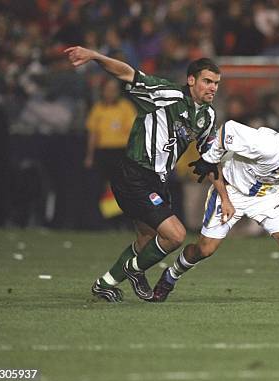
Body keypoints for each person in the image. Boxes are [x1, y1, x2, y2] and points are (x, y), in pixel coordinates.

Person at [64, 46, 234, 302]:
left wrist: (225, 197)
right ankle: (134, 270)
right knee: (175, 235)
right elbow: (128, 74)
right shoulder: (167, 94)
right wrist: (96, 56)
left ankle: (104, 284)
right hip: (134, 173)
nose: (212, 87)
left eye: (216, 83)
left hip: (157, 180)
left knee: (147, 239)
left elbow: (210, 158)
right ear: (191, 81)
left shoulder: (207, 117)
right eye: (207, 81)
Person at [152, 112, 279, 305]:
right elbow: (229, 129)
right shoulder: (266, 145)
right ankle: (171, 275)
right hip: (231, 191)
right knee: (205, 249)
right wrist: (210, 158)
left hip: (266, 198)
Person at [84, 78, 136, 226]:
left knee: (121, 187)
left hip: (120, 151)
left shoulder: (125, 107)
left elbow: (133, 132)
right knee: (99, 186)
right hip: (103, 152)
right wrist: (90, 156)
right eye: (107, 89)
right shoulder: (98, 108)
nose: (110, 93)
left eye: (113, 90)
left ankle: (121, 222)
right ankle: (101, 221)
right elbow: (93, 134)